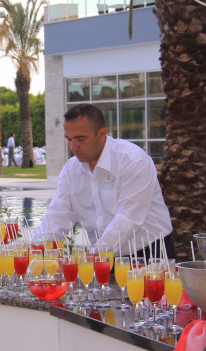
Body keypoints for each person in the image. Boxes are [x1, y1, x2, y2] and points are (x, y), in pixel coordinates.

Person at [34, 103, 174, 258]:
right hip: (103, 255)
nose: (73, 147)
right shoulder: (71, 169)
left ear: (101, 134)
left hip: (150, 254)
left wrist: (93, 258)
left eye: (80, 139)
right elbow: (58, 214)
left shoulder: (132, 160)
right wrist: (37, 249)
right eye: (69, 139)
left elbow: (128, 219)